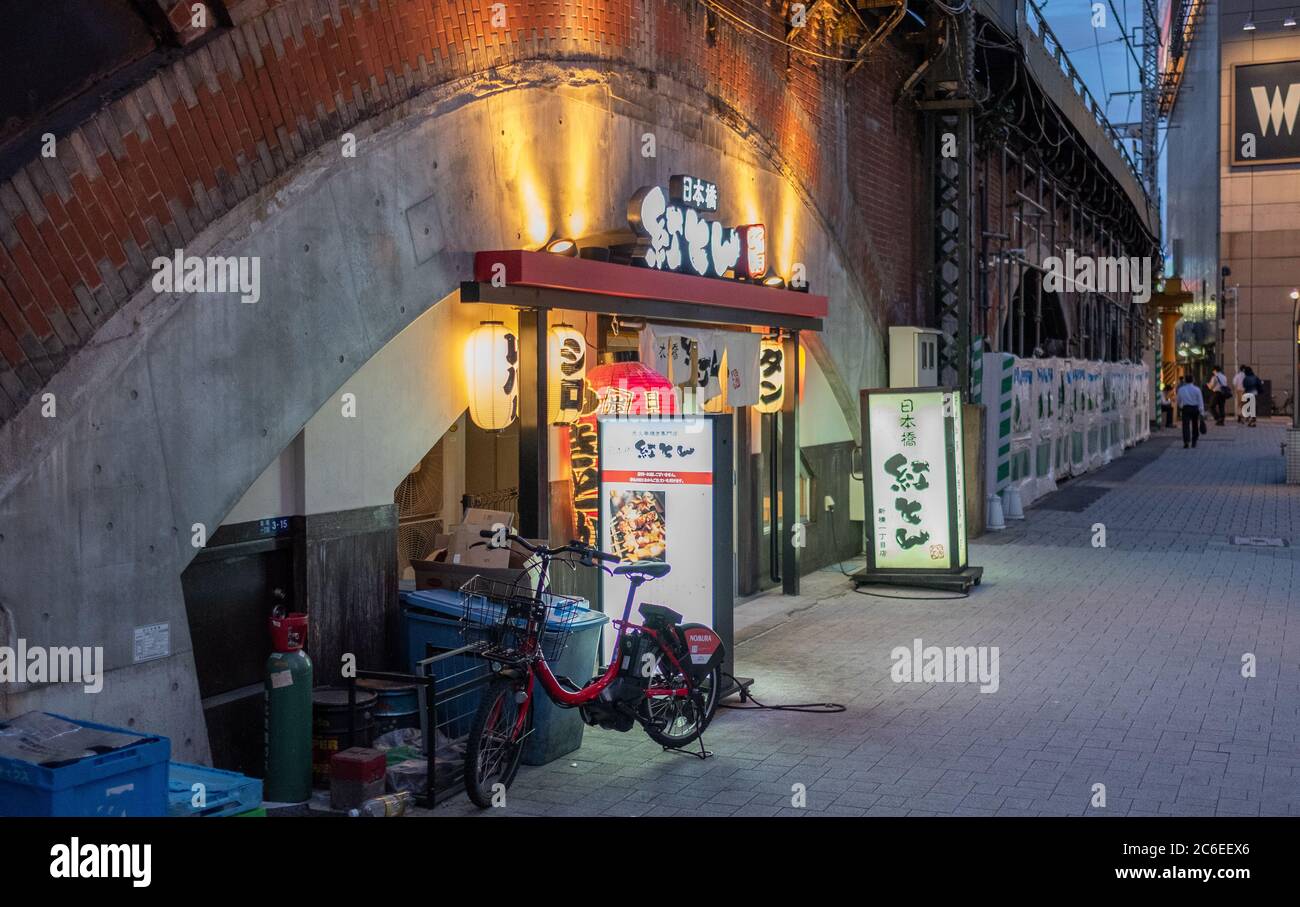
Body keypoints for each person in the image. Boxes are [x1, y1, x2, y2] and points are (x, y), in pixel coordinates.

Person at [1176, 374, 1205, 448]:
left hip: (1186, 408)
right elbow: (1200, 401)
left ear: (1185, 381)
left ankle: (1186, 441)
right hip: (1195, 408)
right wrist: (1202, 412)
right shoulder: (1197, 389)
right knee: (1195, 424)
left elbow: (1178, 400)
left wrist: (1181, 406)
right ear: (1193, 380)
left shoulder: (1181, 389)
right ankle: (1194, 441)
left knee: (1185, 425)